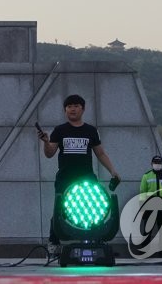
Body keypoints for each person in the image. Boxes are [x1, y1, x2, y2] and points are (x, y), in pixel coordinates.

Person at [36, 94, 122, 253]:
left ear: (83, 109)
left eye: (76, 106)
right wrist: (46, 142)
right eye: (69, 107)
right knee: (60, 210)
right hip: (65, 178)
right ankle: (53, 242)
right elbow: (49, 153)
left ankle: (96, 240)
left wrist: (112, 170)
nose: (72, 109)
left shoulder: (91, 131)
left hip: (86, 177)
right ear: (65, 110)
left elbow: (100, 153)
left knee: (94, 208)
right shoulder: (59, 130)